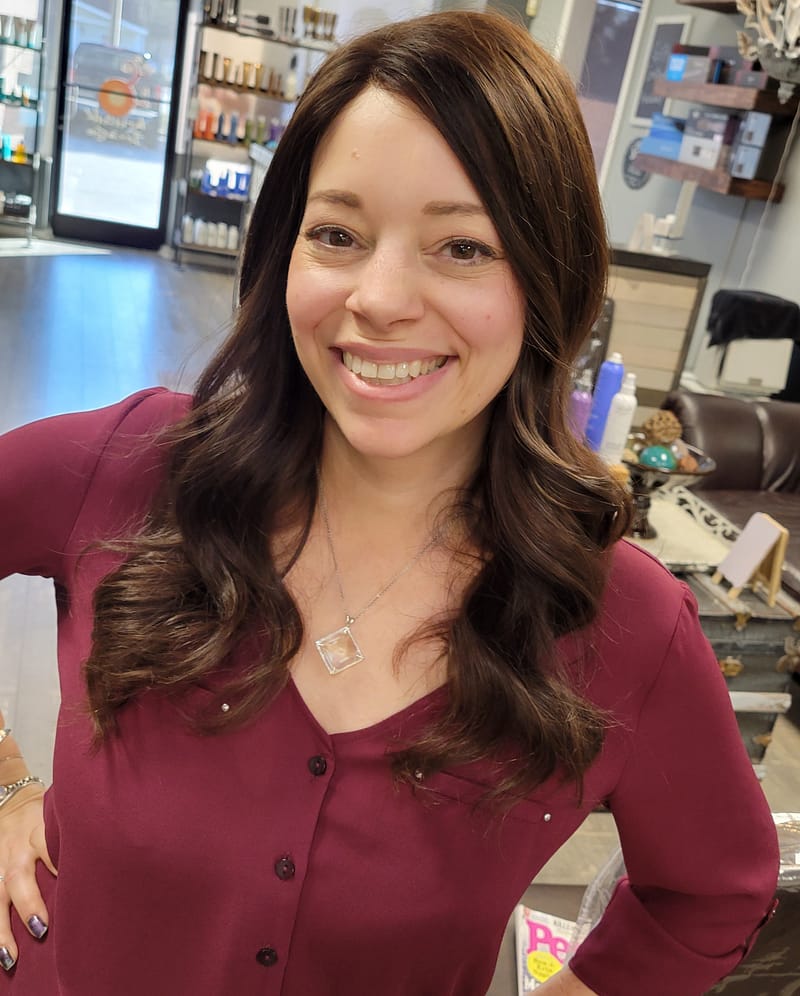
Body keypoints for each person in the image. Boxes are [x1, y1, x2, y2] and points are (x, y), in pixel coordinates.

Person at [0, 10, 778, 995]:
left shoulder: (619, 624)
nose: (378, 296)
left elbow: (713, 891)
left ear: (547, 279)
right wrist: (11, 782)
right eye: (337, 234)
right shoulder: (131, 473)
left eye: (461, 248)